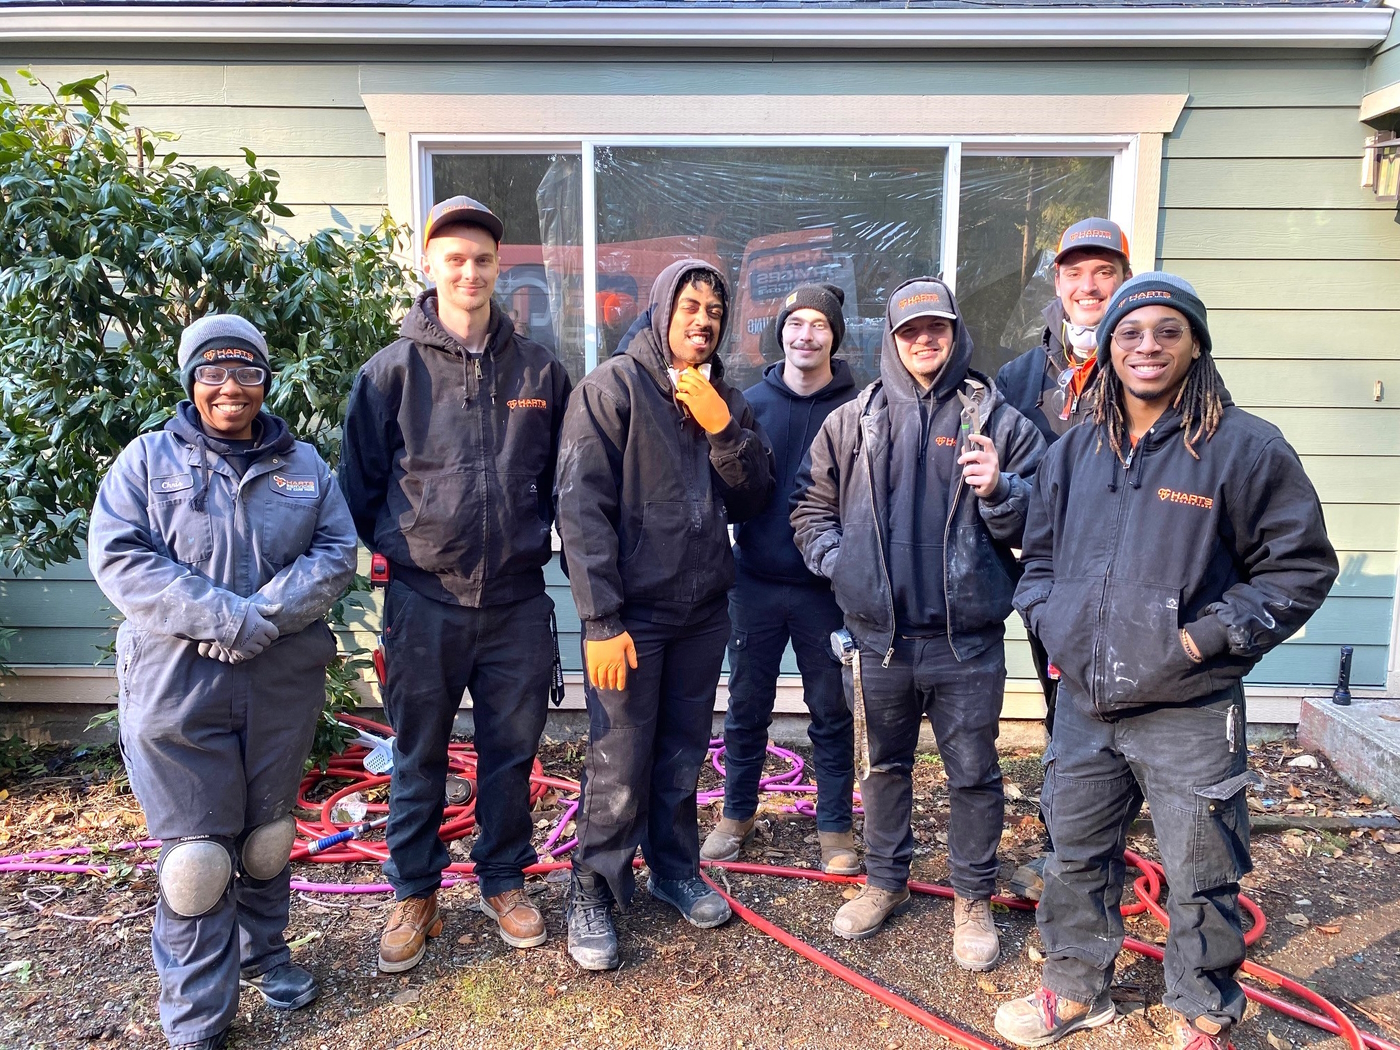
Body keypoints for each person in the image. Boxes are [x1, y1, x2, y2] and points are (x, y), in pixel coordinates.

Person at [995, 274, 1337, 1050]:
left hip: (1189, 704)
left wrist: (1201, 640)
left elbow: (1299, 568)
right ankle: (1074, 989)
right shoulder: (1075, 449)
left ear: (1195, 345)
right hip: (1086, 702)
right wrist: (1055, 623)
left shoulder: (1244, 448)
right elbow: (1037, 559)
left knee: (1201, 868)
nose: (1146, 346)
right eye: (1130, 332)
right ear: (1109, 348)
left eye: (1167, 331)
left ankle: (1201, 1010)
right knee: (1075, 855)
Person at [89, 314, 358, 1050]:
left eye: (246, 371)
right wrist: (222, 618)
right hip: (178, 682)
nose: (230, 387)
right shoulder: (147, 461)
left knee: (267, 835)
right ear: (191, 380)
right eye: (213, 371)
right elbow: (120, 557)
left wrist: (256, 617)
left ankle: (263, 954)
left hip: (280, 678)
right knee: (197, 860)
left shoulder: (305, 466)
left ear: (266, 380)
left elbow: (336, 553)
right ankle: (196, 1016)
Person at [339, 196, 573, 971]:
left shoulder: (539, 371)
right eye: (455, 260)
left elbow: (564, 482)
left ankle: (503, 879)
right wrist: (414, 553)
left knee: (511, 753)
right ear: (429, 266)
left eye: (482, 260)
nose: (469, 272)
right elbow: (359, 489)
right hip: (424, 602)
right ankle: (415, 892)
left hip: (516, 603)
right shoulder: (389, 374)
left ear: (498, 268)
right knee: (419, 754)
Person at [791, 277, 1045, 969]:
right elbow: (809, 510)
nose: (924, 340)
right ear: (892, 339)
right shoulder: (853, 421)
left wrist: (1001, 490)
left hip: (967, 644)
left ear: (955, 333)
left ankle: (972, 897)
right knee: (883, 768)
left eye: (936, 327)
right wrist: (843, 565)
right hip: (880, 641)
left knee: (973, 774)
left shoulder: (998, 421)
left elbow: (1042, 519)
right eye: (910, 330)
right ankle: (884, 880)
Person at [555, 259, 775, 971]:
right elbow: (580, 510)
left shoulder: (726, 399)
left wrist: (722, 430)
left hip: (702, 610)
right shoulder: (612, 389)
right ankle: (593, 885)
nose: (703, 320)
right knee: (619, 758)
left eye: (715, 310)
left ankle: (674, 869)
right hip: (631, 616)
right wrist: (599, 620)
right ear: (660, 311)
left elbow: (754, 498)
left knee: (682, 751)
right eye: (690, 306)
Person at [993, 216, 1133, 902]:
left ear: (1125, 279)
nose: (1089, 286)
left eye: (1104, 272)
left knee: (1130, 722)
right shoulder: (1021, 377)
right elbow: (992, 470)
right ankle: (1064, 855)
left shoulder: (1147, 363)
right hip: (1053, 583)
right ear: (1057, 281)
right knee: (1065, 718)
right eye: (1075, 272)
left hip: (1136, 580)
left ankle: (1105, 858)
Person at [701, 283, 859, 875]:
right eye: (795, 324)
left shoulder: (859, 409)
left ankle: (835, 825)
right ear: (781, 333)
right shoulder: (750, 405)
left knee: (831, 712)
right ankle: (736, 814)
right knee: (746, 706)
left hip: (829, 590)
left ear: (834, 337)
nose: (805, 335)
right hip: (756, 582)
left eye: (819, 324)